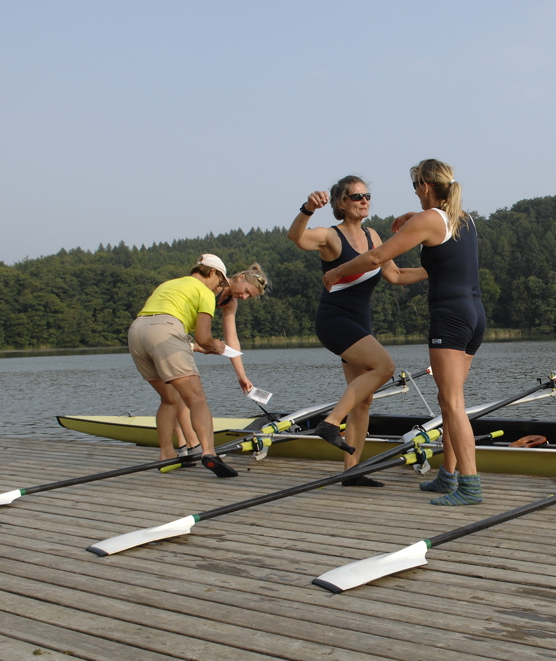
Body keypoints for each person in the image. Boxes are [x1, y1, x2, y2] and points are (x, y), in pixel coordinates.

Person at [323, 159, 486, 506]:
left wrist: (338, 273)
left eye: (415, 188)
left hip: (450, 317)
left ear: (425, 187)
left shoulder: (429, 219)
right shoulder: (464, 219)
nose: (415, 193)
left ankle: (470, 486)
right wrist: (409, 216)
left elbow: (376, 257)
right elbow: (410, 254)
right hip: (474, 316)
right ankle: (448, 476)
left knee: (453, 403)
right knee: (448, 400)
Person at [288, 176, 427, 486]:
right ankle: (329, 423)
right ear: (341, 203)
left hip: (360, 323)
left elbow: (396, 274)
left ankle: (351, 472)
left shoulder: (374, 237)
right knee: (385, 366)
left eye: (367, 195)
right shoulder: (330, 236)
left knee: (364, 400)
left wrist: (436, 269)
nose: (364, 200)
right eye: (356, 197)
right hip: (334, 321)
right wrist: (307, 209)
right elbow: (296, 237)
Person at [128, 254, 258, 477]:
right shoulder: (205, 292)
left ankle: (167, 455)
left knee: (169, 399)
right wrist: (216, 346)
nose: (219, 287)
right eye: (220, 281)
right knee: (196, 399)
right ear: (213, 273)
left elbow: (169, 324)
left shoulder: (169, 284)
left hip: (136, 332)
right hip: (166, 331)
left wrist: (200, 347)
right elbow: (203, 337)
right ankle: (209, 452)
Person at [172, 263, 270, 460]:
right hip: (172, 328)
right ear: (240, 277)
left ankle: (185, 447)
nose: (244, 297)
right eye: (245, 291)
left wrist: (242, 376)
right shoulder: (212, 286)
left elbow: (232, 339)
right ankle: (191, 446)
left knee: (178, 393)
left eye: (249, 297)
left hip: (182, 338)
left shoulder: (230, 302)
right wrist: (200, 346)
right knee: (178, 394)